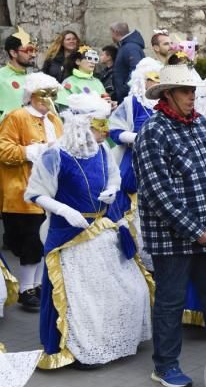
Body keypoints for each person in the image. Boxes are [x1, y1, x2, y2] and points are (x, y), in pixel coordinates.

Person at [26, 92, 152, 370]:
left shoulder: (102, 150)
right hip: (68, 236)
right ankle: (77, 350)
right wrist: (64, 211)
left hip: (99, 228)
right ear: (82, 125)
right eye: (100, 126)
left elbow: (114, 176)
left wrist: (111, 190)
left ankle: (108, 343)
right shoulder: (55, 154)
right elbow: (35, 193)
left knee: (127, 289)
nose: (105, 131)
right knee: (82, 299)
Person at [133, 63, 206, 387]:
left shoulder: (202, 124)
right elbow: (157, 193)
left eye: (193, 91)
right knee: (171, 301)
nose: (192, 97)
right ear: (168, 94)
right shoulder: (153, 132)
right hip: (173, 239)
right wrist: (195, 230)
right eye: (185, 91)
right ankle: (164, 366)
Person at [0, 73, 64, 310]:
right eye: (43, 94)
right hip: (23, 190)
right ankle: (26, 287)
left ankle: (37, 284)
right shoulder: (16, 117)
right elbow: (3, 149)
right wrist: (34, 150)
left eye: (52, 95)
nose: (47, 100)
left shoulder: (55, 120)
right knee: (29, 241)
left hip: (49, 190)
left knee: (42, 240)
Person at [108, 57, 162, 220]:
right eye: (153, 78)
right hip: (135, 161)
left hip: (164, 160)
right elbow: (115, 130)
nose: (157, 82)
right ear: (142, 80)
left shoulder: (169, 103)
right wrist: (138, 138)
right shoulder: (132, 103)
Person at [0, 27, 37, 119]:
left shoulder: (34, 78)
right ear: (13, 53)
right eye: (28, 50)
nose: (33, 55)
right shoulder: (1, 76)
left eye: (34, 50)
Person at [110, 22, 146, 103]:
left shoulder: (130, 47)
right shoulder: (126, 46)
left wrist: (124, 89)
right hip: (127, 96)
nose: (111, 36)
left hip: (129, 97)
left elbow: (136, 69)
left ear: (115, 32)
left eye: (111, 33)